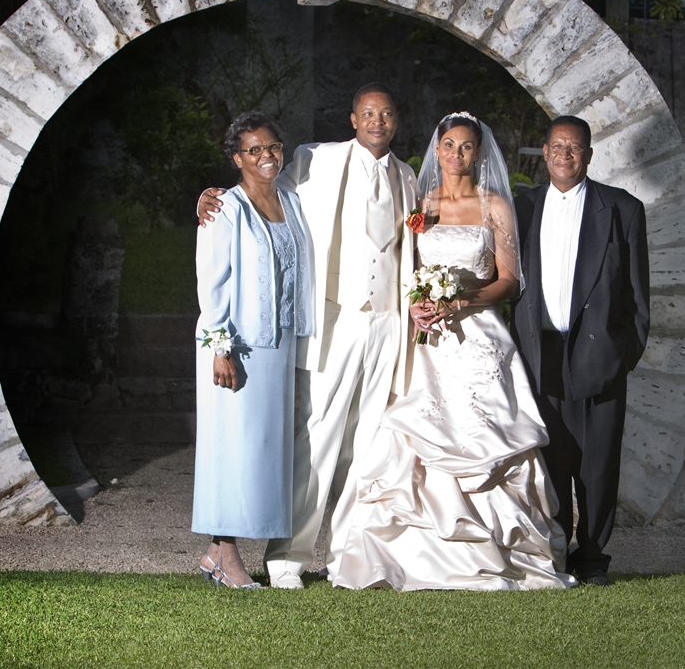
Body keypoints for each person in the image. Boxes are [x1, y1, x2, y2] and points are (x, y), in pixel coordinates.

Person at [330, 112, 575, 591]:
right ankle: (413, 554)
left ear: (478, 153)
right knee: (412, 434)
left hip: (479, 337)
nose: (456, 154)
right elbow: (404, 270)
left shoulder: (495, 206)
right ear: (437, 149)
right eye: (448, 145)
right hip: (426, 342)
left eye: (465, 146)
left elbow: (509, 281)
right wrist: (417, 303)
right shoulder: (421, 205)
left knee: (485, 434)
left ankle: (503, 550)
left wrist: (462, 300)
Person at [197, 85, 418, 589]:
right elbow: (257, 184)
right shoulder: (315, 158)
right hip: (336, 319)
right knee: (318, 437)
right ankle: (287, 559)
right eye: (368, 113)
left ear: (396, 120)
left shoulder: (407, 176)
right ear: (353, 118)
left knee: (368, 446)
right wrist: (211, 197)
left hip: (388, 320)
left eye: (386, 113)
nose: (377, 121)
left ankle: (349, 559)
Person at [512, 115, 650, 587]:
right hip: (539, 354)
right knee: (550, 461)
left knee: (598, 464)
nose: (564, 155)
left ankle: (591, 557)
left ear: (588, 155)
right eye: (556, 146)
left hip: (599, 355)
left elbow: (637, 296)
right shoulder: (522, 207)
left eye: (574, 148)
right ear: (544, 151)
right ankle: (552, 552)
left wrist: (622, 355)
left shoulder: (622, 209)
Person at [192, 112, 312, 589]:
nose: (266, 156)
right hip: (235, 347)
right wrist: (218, 345)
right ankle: (224, 554)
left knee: (261, 452)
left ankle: (216, 554)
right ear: (237, 158)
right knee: (231, 447)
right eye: (254, 150)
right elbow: (211, 281)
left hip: (278, 344)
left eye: (273, 147)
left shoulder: (292, 201)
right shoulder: (224, 208)